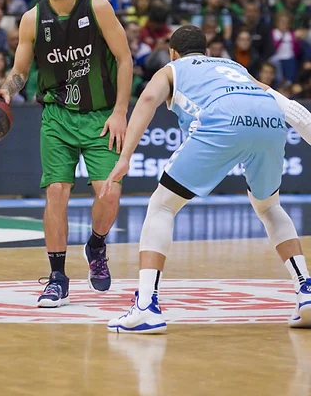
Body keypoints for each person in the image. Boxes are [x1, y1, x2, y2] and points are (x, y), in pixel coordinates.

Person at [102, 24, 311, 333]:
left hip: (223, 118)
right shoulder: (232, 66)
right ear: (208, 52)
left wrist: (124, 158)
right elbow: (283, 104)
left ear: (173, 52)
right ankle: (306, 289)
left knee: (162, 206)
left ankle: (146, 306)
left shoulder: (171, 69)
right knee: (269, 207)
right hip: (269, 117)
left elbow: (146, 101)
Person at [0, 0, 133, 306]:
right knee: (56, 194)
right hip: (57, 117)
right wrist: (4, 91)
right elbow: (20, 72)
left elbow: (125, 60)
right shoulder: (31, 19)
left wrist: (121, 111)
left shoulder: (98, 7)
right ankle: (57, 276)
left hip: (100, 116)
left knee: (109, 195)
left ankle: (95, 245)